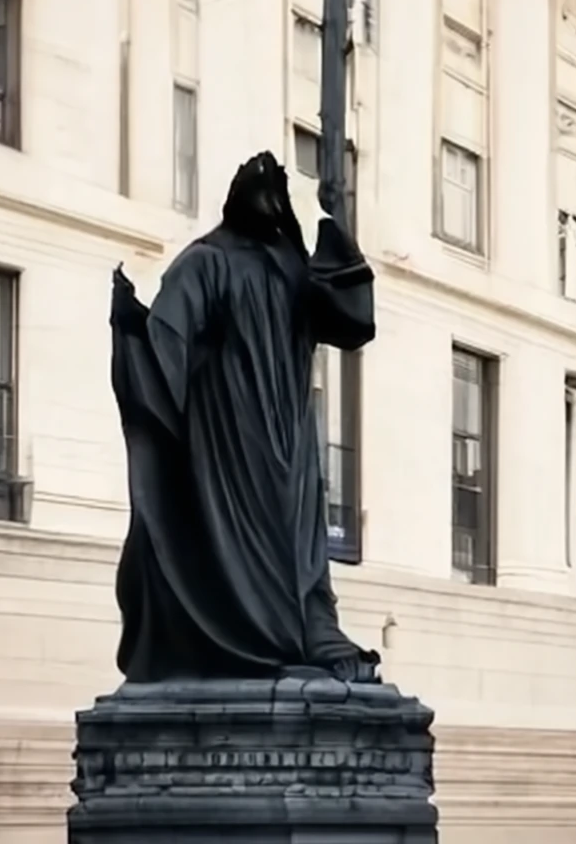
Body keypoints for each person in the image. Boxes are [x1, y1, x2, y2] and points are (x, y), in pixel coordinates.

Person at [109, 150, 380, 683]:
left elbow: (354, 320)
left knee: (300, 532)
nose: (268, 193)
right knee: (250, 530)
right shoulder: (205, 260)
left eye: (277, 185)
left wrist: (328, 230)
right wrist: (132, 326)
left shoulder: (292, 267)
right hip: (231, 433)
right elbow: (166, 342)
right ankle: (269, 638)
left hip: (293, 432)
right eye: (259, 183)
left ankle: (312, 627)